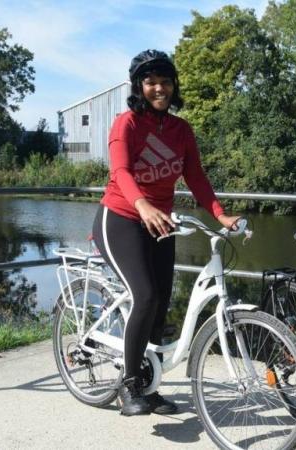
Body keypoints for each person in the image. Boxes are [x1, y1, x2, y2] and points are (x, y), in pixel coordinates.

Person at [92, 49, 240, 416]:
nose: (159, 88)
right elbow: (122, 172)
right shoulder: (126, 123)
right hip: (122, 218)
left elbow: (196, 177)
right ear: (139, 87)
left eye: (165, 81)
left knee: (160, 301)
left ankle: (149, 385)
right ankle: (129, 387)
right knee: (144, 295)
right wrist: (142, 204)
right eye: (151, 82)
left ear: (174, 86)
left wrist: (220, 215)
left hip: (160, 222)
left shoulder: (181, 129)